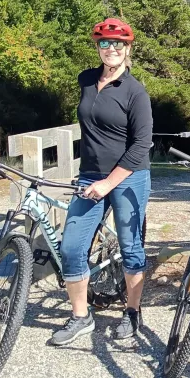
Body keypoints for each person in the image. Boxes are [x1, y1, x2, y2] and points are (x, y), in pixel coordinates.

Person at [50, 18, 153, 345]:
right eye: (105, 43)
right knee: (71, 247)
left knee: (130, 247)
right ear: (97, 47)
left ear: (128, 48)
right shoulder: (85, 80)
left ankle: (133, 312)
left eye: (118, 44)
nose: (111, 49)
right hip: (90, 176)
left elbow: (141, 144)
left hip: (129, 178)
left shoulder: (136, 92)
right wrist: (93, 176)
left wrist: (109, 183)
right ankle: (81, 316)